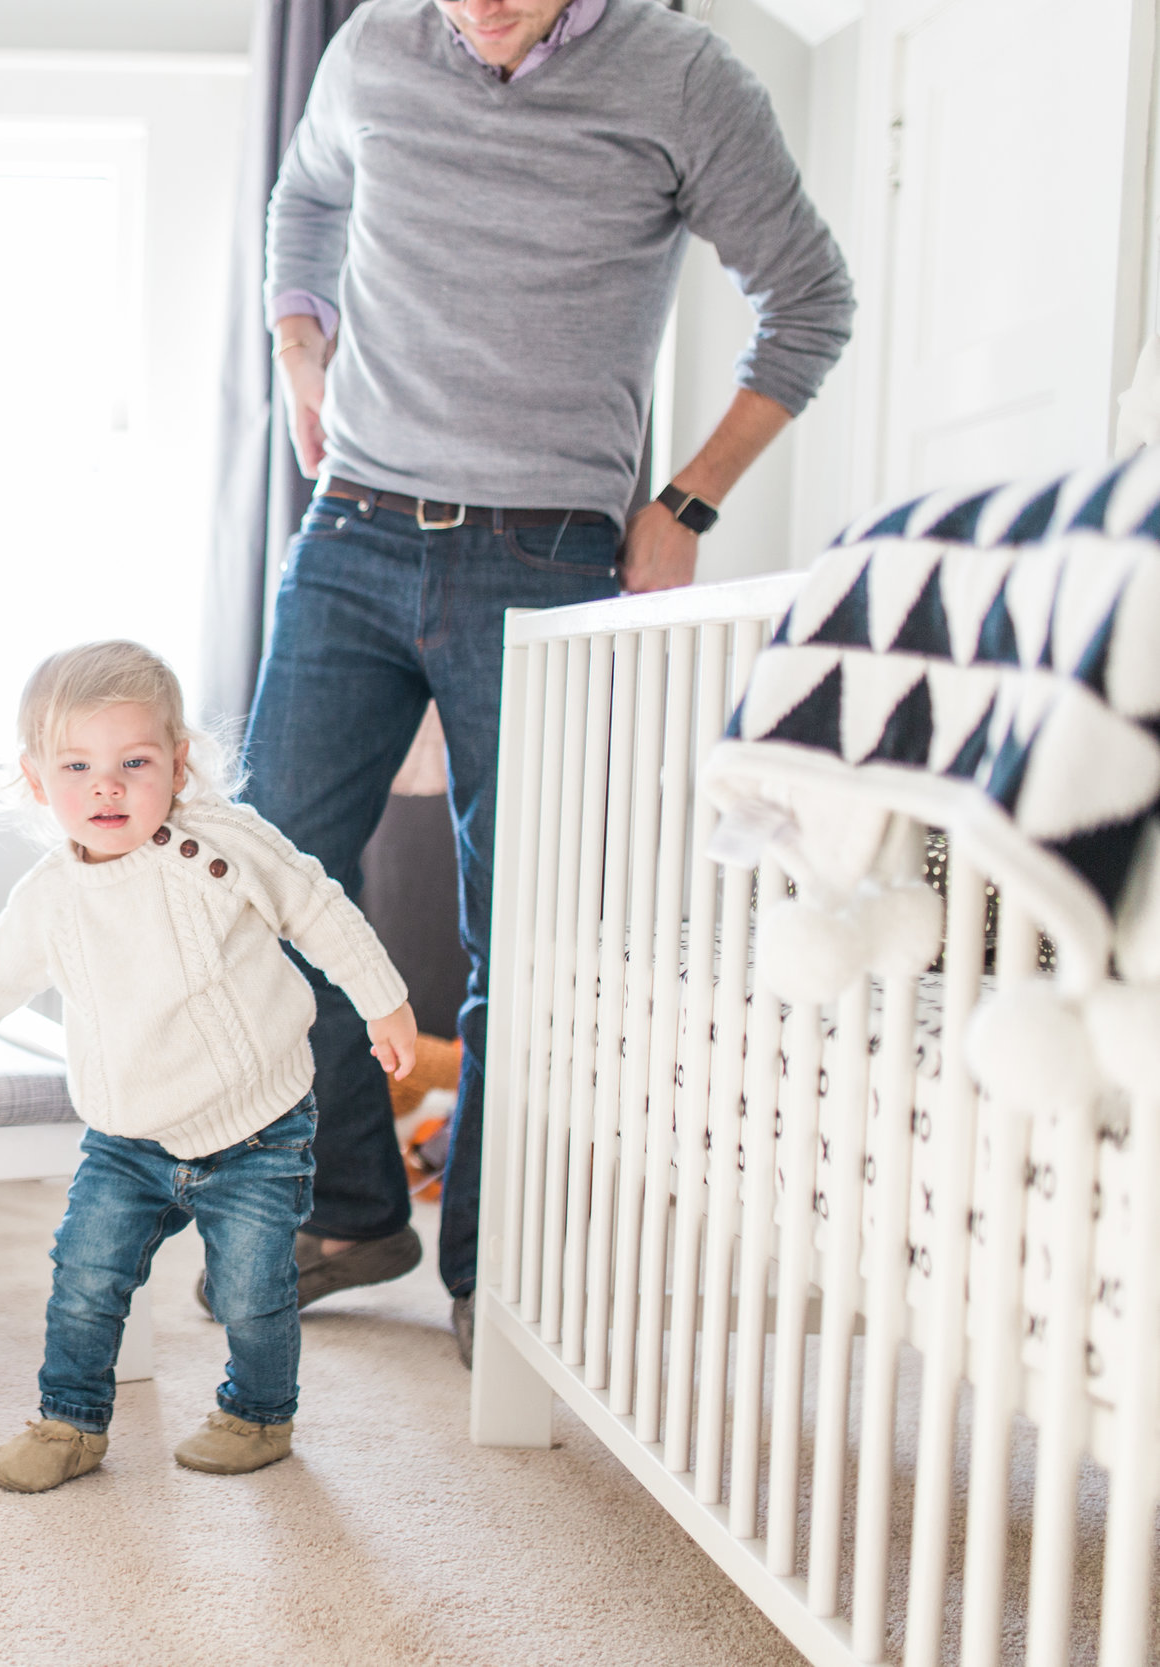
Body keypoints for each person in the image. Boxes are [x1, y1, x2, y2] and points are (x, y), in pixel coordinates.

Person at [251, 0, 853, 1365]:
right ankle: (353, 1208)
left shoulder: (685, 78)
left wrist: (687, 504)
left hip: (547, 551)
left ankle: (491, 1265)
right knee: (265, 872)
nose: (484, 8)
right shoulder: (370, 52)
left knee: (524, 921)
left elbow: (810, 301)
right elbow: (305, 202)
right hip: (350, 526)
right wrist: (304, 354)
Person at [0, 642, 418, 1492]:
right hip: (127, 1135)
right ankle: (70, 1421)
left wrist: (381, 998)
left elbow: (314, 903)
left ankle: (258, 1412)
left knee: (252, 1292)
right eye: (78, 764)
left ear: (177, 765)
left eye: (133, 762)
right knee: (84, 1280)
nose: (107, 785)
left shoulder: (225, 844)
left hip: (257, 1125)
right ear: (36, 781)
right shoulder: (50, 897)